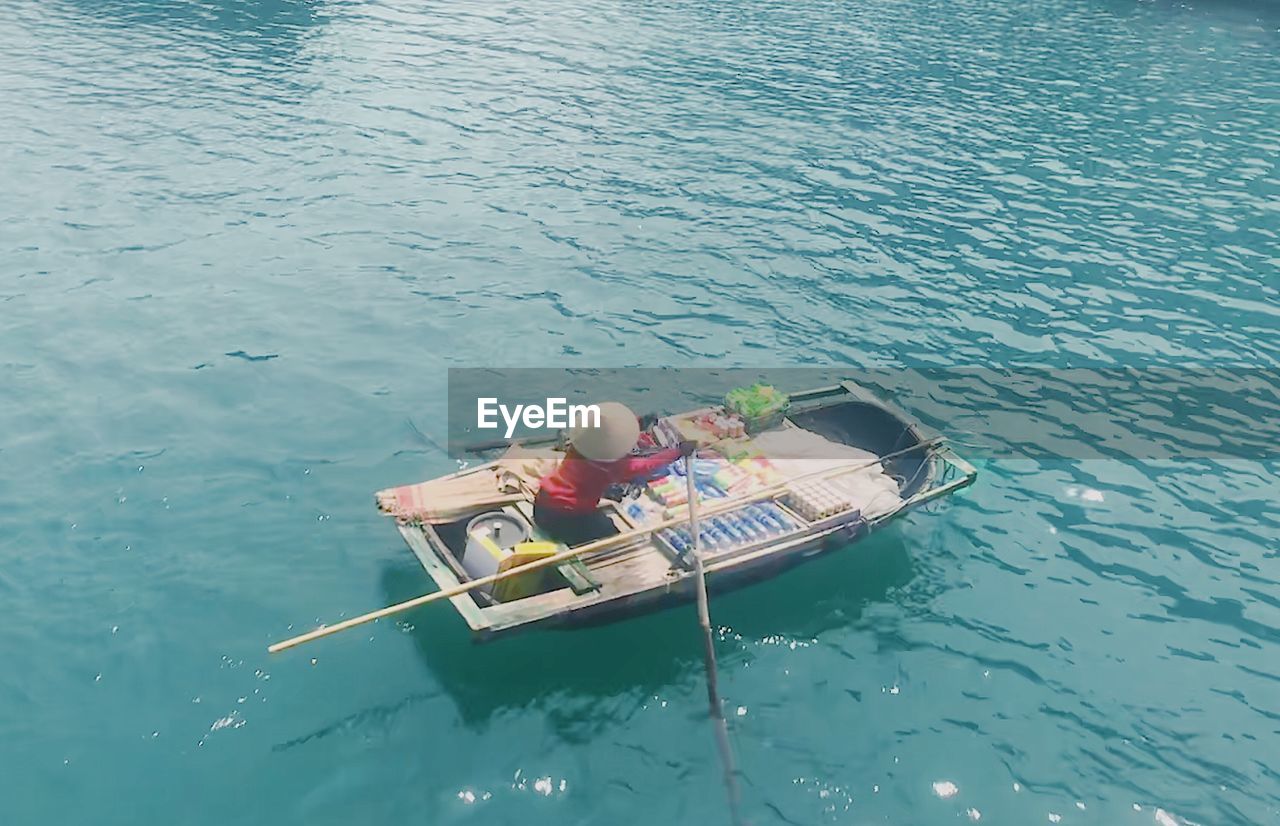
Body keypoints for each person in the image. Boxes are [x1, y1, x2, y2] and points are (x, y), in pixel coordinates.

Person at [534, 401, 696, 546]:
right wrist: (678, 451)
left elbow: (605, 431)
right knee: (610, 533)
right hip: (565, 517)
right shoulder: (610, 467)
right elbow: (646, 465)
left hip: (541, 503)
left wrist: (639, 423)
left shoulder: (580, 445)